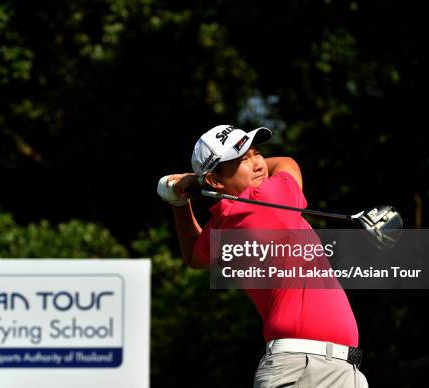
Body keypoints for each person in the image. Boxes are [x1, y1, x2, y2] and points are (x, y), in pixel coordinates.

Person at [157, 125, 368, 387]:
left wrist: (179, 201)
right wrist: (196, 179)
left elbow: (192, 254)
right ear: (214, 180)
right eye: (242, 159)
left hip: (328, 368)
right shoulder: (266, 199)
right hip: (306, 367)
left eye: (256, 153)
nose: (258, 164)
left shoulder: (224, 223)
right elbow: (287, 162)